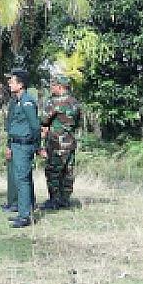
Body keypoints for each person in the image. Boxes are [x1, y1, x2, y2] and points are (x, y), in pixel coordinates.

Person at [3, 69, 39, 228]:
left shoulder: (27, 101)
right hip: (17, 144)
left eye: (12, 81)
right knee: (23, 178)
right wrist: (10, 145)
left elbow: (35, 126)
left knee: (22, 179)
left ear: (21, 84)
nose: (9, 83)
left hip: (24, 145)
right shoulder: (17, 101)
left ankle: (25, 216)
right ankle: (27, 210)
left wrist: (37, 147)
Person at [40, 74, 80, 210]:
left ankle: (54, 201)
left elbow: (44, 120)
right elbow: (77, 122)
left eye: (53, 85)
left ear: (60, 87)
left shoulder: (54, 102)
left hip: (56, 144)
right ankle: (65, 199)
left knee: (53, 172)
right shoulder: (75, 102)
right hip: (70, 142)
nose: (51, 88)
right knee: (68, 172)